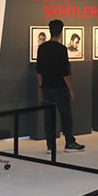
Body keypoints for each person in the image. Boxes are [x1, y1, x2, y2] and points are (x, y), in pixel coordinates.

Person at [36, 19, 85, 153]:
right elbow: (65, 73)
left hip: (46, 88)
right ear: (60, 32)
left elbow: (39, 70)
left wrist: (40, 86)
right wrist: (71, 89)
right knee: (66, 116)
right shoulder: (61, 49)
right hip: (60, 88)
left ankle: (50, 145)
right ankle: (69, 142)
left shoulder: (42, 48)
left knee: (49, 118)